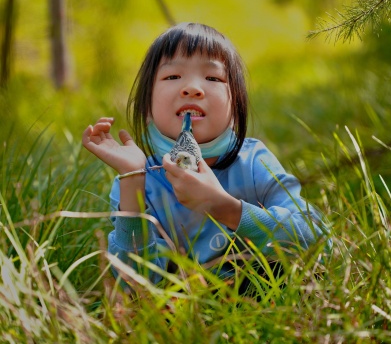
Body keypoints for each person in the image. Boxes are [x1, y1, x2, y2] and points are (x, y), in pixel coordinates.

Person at [82, 22, 328, 288]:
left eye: (213, 78)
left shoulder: (254, 161)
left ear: (235, 108)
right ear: (147, 109)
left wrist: (225, 208)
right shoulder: (137, 181)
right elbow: (134, 283)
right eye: (172, 76)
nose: (192, 88)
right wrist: (132, 180)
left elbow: (317, 240)